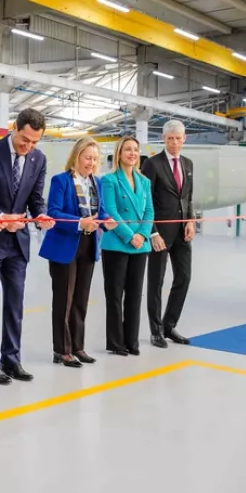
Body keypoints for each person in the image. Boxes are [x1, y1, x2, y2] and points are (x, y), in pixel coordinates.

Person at [0, 108, 54, 385]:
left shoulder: (38, 159)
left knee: (15, 305)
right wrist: (1, 217)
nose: (28, 147)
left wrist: (40, 215)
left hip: (18, 243)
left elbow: (35, 199)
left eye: (34, 143)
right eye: (24, 140)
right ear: (13, 127)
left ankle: (12, 359)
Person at [39, 137, 116, 367]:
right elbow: (53, 211)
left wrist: (106, 220)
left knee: (81, 300)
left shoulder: (97, 182)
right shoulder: (61, 181)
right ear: (76, 157)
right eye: (87, 157)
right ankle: (62, 350)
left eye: (94, 158)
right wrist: (80, 222)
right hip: (65, 245)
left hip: (88, 244)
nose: (91, 162)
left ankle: (78, 347)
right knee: (64, 299)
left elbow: (99, 211)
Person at [141, 120, 194, 348]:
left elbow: (188, 197)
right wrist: (152, 233)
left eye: (178, 138)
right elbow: (145, 201)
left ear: (185, 139)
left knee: (184, 277)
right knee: (156, 282)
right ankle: (155, 331)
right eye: (170, 138)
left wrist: (191, 220)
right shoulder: (152, 164)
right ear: (163, 139)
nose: (174, 142)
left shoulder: (188, 164)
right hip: (160, 235)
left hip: (183, 232)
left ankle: (169, 325)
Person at [99, 135, 154, 356]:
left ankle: (132, 341)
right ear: (119, 154)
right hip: (116, 244)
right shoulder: (110, 180)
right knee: (114, 295)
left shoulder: (145, 181)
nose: (132, 153)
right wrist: (130, 236)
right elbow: (110, 211)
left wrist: (142, 235)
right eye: (127, 149)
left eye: (135, 150)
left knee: (135, 294)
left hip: (140, 246)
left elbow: (149, 211)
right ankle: (116, 342)